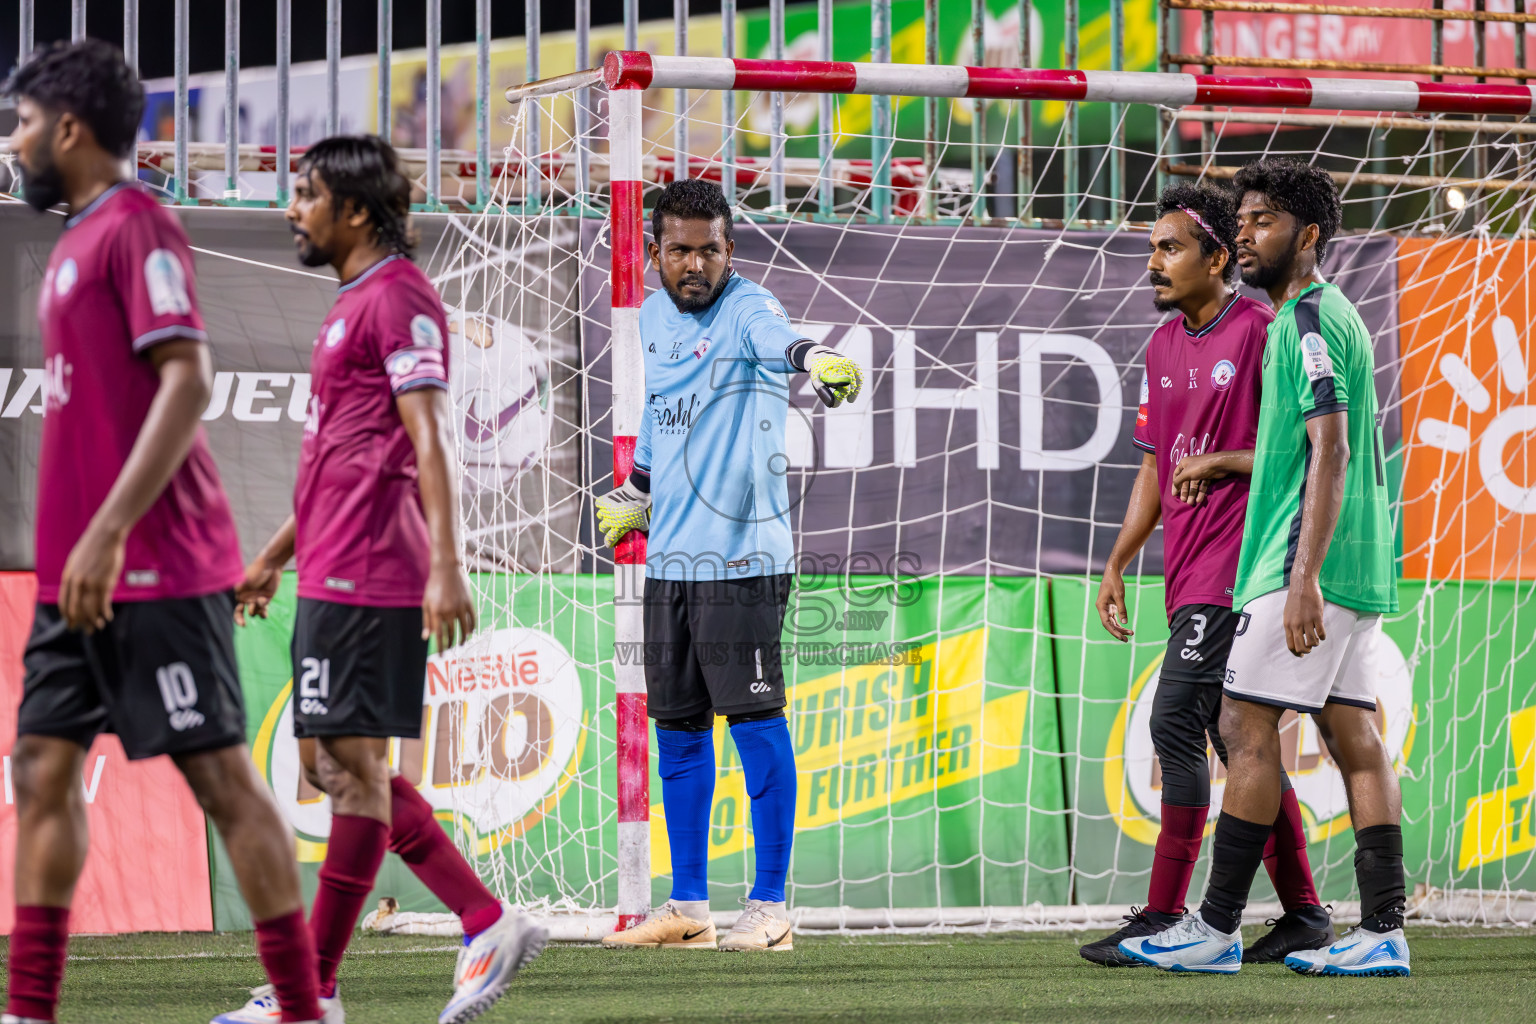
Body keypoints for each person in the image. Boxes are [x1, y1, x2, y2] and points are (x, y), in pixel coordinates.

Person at [3, 40, 323, 1024]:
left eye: (19, 123)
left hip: (158, 568)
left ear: (68, 127)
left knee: (222, 781)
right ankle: (29, 1009)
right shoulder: (71, 243)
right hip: (76, 579)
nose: (13, 144)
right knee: (42, 768)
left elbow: (185, 379)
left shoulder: (139, 228)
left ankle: (307, 1009)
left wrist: (105, 533)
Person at [217, 136, 545, 1024]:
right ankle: (474, 923)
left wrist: (446, 561)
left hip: (373, 566)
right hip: (330, 562)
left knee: (350, 772)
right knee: (332, 767)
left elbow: (429, 432)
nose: (293, 209)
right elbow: (338, 451)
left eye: (306, 193)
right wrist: (274, 556)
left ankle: (311, 991)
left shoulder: (400, 298)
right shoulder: (353, 300)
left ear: (355, 211)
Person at [1122, 158, 1407, 976]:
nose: (1246, 235)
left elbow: (1333, 446)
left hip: (1301, 562)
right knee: (1355, 737)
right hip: (1361, 561)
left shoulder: (1307, 320)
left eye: (1265, 223)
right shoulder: (1321, 317)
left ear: (1308, 236)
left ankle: (1211, 930)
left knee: (1241, 728)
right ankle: (1383, 928)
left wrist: (1304, 576)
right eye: (1241, 222)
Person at [594, 179, 863, 952]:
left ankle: (771, 904)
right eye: (679, 249)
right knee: (677, 728)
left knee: (752, 719)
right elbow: (660, 406)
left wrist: (819, 358)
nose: (695, 264)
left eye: (710, 249)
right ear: (655, 253)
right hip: (672, 556)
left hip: (744, 556)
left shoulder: (748, 307)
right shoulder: (651, 317)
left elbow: (784, 342)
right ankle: (686, 905)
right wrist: (638, 491)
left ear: (729, 252)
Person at [1079, 182, 1334, 967]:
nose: (1153, 263)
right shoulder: (1160, 347)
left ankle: (1167, 914)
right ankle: (1305, 914)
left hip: (1242, 568)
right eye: (1152, 247)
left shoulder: (1264, 331)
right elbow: (1158, 467)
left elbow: (1310, 452)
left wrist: (1226, 460)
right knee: (1236, 743)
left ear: (1220, 258)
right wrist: (1120, 561)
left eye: (1170, 248)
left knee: (1177, 723)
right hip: (1183, 573)